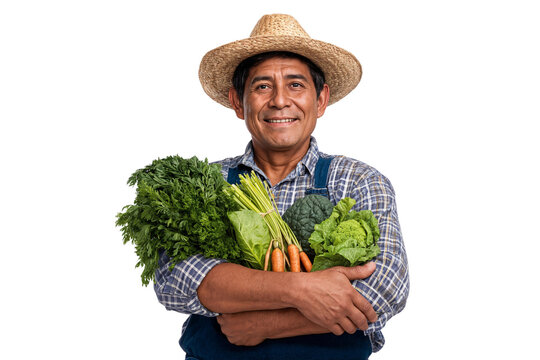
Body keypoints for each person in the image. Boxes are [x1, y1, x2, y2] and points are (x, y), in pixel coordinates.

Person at [154, 14, 409, 360]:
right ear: (236, 100)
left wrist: (268, 324)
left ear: (320, 100)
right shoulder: (205, 184)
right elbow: (175, 281)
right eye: (262, 86)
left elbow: (387, 288)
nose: (278, 101)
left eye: (295, 85)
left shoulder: (359, 180)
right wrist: (303, 289)